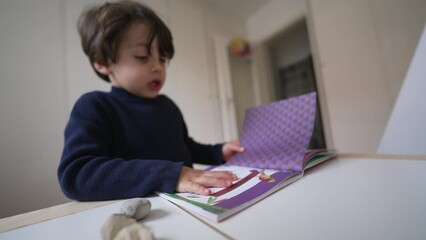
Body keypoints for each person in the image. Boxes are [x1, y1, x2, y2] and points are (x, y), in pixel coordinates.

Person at [58, 0, 244, 201]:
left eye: (162, 59)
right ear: (102, 62)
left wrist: (219, 152)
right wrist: (170, 174)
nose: (157, 67)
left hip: (190, 207)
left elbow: (186, 147)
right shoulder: (95, 106)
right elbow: (76, 173)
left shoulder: (168, 106)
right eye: (142, 57)